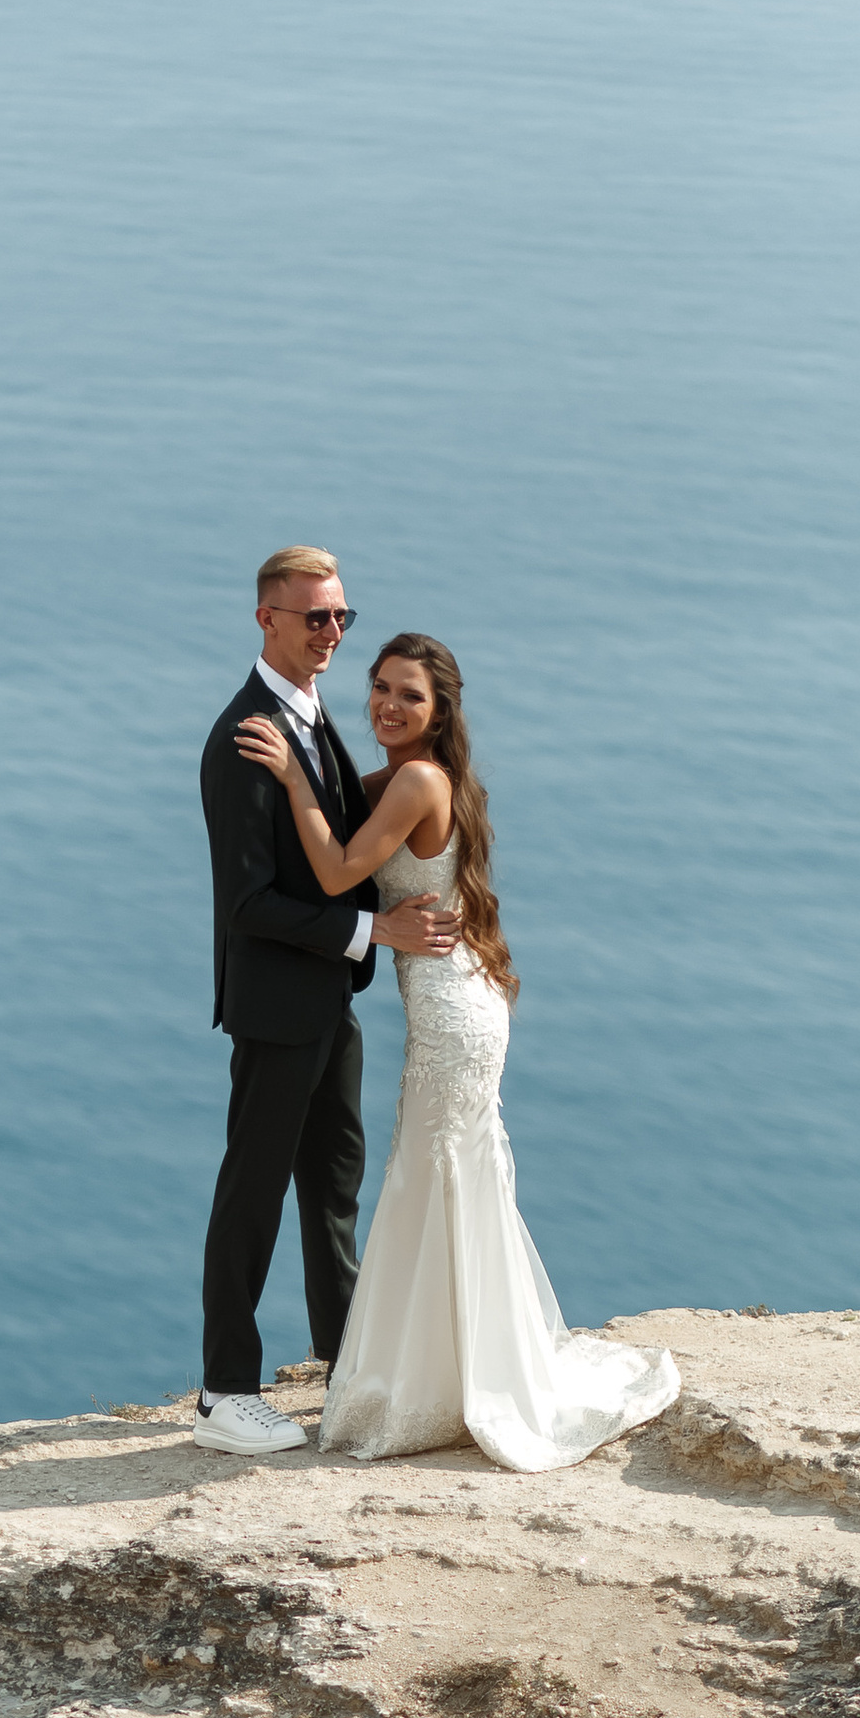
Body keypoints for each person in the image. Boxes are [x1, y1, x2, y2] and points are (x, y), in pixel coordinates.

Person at [236, 633, 679, 1472]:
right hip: (458, 995)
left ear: (440, 711)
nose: (387, 706)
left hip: (451, 1011)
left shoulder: (417, 779)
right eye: (379, 690)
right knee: (447, 1178)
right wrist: (303, 766)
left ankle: (437, 1380)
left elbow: (334, 872)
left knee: (432, 1174)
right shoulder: (412, 776)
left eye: (409, 696)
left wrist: (292, 775)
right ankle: (439, 1368)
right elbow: (336, 813)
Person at [193, 547, 463, 1459]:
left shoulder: (312, 721)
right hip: (276, 1006)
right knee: (252, 1194)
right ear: (266, 619)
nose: (332, 633)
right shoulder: (246, 738)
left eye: (341, 616)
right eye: (315, 617)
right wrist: (371, 935)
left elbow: (355, 832)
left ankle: (344, 1363)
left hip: (325, 1005)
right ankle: (225, 1392)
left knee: (332, 1193)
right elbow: (247, 905)